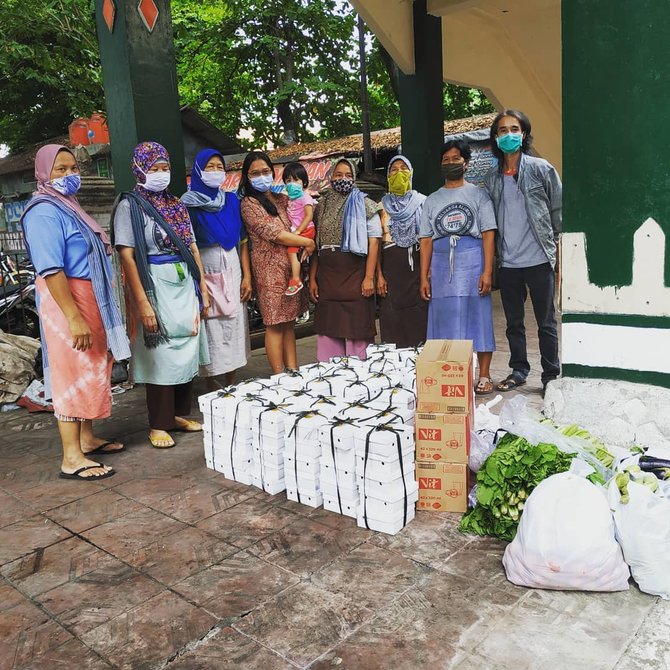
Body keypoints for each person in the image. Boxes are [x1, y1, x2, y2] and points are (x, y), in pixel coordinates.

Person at [21, 145, 131, 480]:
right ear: (44, 174)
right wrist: (72, 316)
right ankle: (71, 457)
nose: (70, 176)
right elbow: (51, 268)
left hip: (88, 294)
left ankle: (86, 438)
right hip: (66, 297)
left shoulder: (68, 206)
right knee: (71, 369)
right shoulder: (43, 212)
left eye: (73, 168)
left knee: (92, 364)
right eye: (60, 170)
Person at [112, 141, 210, 449]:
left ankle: (177, 416)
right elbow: (126, 255)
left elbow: (192, 246)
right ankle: (158, 423)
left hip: (184, 283)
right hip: (154, 282)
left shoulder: (177, 205)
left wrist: (202, 288)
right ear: (139, 170)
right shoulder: (130, 205)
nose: (161, 174)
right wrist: (143, 303)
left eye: (165, 168)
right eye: (154, 169)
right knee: (162, 353)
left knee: (186, 349)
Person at [484, 110, 562, 394]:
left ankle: (551, 375)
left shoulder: (542, 169)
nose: (508, 135)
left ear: (524, 134)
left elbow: (558, 211)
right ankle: (519, 370)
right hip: (509, 263)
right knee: (513, 323)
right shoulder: (491, 178)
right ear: (496, 137)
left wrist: (557, 253)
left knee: (546, 322)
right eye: (502, 130)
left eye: (514, 129)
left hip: (539, 259)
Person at [420, 140, 497, 395]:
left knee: (478, 316)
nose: (451, 163)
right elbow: (426, 240)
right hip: (442, 266)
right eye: (446, 159)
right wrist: (424, 276)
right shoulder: (432, 200)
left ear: (466, 162)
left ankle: (483, 375)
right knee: (444, 318)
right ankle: (448, 374)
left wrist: (487, 271)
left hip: (472, 259)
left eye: (456, 158)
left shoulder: (478, 194)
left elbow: (488, 234)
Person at [181, 149, 252, 390]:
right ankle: (211, 380)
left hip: (232, 265)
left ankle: (232, 379)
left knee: (234, 319)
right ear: (199, 171)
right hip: (206, 264)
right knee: (211, 322)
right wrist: (199, 279)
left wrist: (247, 276)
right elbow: (189, 243)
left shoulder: (231, 200)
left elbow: (242, 240)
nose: (215, 171)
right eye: (209, 167)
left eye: (218, 166)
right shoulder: (188, 205)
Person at [238, 151, 314, 373]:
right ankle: (279, 375)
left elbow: (300, 214)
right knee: (274, 324)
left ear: (273, 173)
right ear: (246, 176)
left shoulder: (281, 198)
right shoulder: (249, 203)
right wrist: (306, 242)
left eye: (265, 171)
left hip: (291, 269)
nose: (261, 176)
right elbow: (274, 234)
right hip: (268, 271)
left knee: (289, 321)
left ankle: (293, 369)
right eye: (255, 173)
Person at [309, 158, 383, 361]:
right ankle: (331, 375)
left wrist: (369, 277)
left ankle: (359, 378)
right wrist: (313, 278)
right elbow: (317, 245)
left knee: (356, 329)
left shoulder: (365, 204)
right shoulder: (321, 206)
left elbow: (374, 242)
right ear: (331, 176)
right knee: (328, 330)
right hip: (328, 279)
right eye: (338, 174)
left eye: (349, 175)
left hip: (355, 276)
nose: (343, 179)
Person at [377, 155, 428, 347]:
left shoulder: (423, 202)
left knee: (418, 322)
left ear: (411, 172)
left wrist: (428, 272)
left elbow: (427, 240)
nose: (399, 173)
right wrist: (378, 276)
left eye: (403, 168)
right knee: (392, 325)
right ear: (388, 175)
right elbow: (375, 244)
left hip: (416, 271)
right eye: (394, 169)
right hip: (391, 273)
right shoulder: (381, 207)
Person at [282, 161, 315, 296]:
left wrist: (298, 231)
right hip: (299, 231)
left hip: (306, 230)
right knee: (297, 255)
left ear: (304, 182)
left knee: (291, 251)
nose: (292, 183)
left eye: (296, 179)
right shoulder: (290, 200)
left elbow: (309, 216)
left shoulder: (305, 197)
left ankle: (296, 280)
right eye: (288, 180)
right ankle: (300, 276)